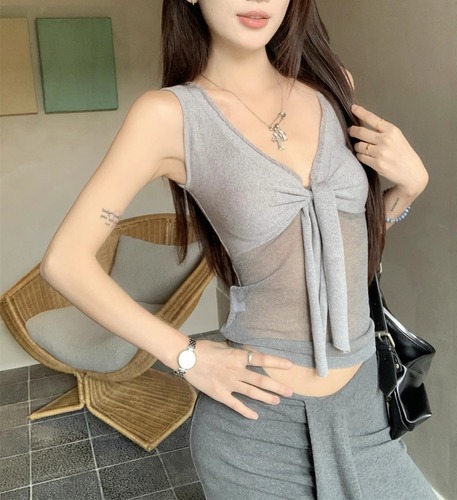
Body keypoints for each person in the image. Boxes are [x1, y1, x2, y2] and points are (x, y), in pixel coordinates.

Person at [40, 0, 436, 498]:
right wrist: (186, 356)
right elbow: (65, 262)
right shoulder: (168, 116)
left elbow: (343, 256)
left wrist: (407, 192)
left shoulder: (333, 88)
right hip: (257, 431)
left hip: (364, 410)